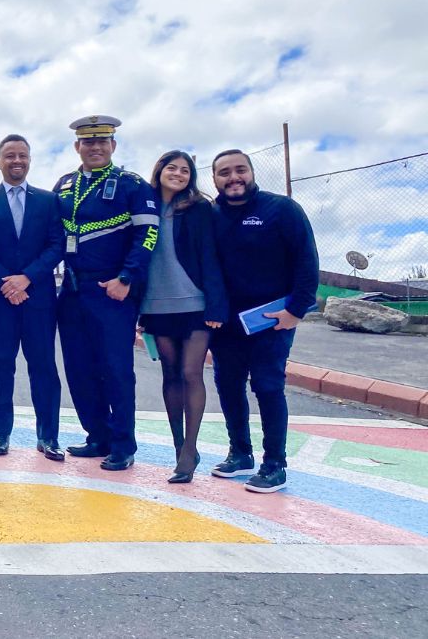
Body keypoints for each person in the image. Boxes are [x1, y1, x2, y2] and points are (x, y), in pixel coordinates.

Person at [53, 115, 159, 471]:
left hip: (112, 291)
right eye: (88, 142)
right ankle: (96, 435)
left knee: (116, 369)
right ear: (77, 146)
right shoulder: (65, 184)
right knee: (79, 368)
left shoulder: (132, 185)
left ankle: (123, 444)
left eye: (102, 142)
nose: (94, 148)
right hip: (71, 290)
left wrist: (127, 278)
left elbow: (148, 236)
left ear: (113, 146)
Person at [209, 149, 318, 493]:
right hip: (226, 323)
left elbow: (306, 261)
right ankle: (240, 453)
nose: (233, 177)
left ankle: (275, 465)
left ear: (252, 173)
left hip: (271, 320)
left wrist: (295, 311)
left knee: (268, 386)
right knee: (228, 385)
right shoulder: (209, 216)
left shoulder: (282, 210)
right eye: (224, 172)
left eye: (240, 170)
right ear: (214, 179)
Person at [0, 135, 65, 459]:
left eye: (22, 156)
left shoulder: (48, 201)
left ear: (30, 160)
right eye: (9, 156)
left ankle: (48, 437)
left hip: (39, 298)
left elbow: (56, 245)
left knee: (43, 368)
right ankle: (1, 434)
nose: (16, 161)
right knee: (1, 367)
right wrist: (6, 284)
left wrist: (27, 278)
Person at [139, 150, 228, 483]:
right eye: (171, 168)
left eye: (185, 170)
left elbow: (210, 256)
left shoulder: (198, 208)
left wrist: (217, 305)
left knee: (192, 373)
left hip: (195, 303)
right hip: (156, 304)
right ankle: (178, 444)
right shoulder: (144, 205)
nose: (178, 174)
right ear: (159, 170)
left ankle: (190, 449)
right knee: (170, 375)